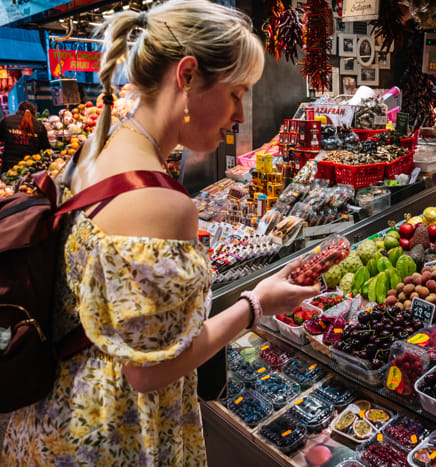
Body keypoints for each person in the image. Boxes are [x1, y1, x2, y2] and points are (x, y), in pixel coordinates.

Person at [1, 1, 320, 465]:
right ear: (187, 75)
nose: (239, 114)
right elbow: (149, 372)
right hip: (115, 433)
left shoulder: (97, 148)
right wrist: (256, 305)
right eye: (236, 94)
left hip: (54, 414)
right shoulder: (162, 203)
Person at [0, 101, 50, 172]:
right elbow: (46, 148)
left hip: (8, 167)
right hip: (29, 167)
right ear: (33, 112)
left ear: (19, 110)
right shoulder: (39, 126)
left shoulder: (6, 121)